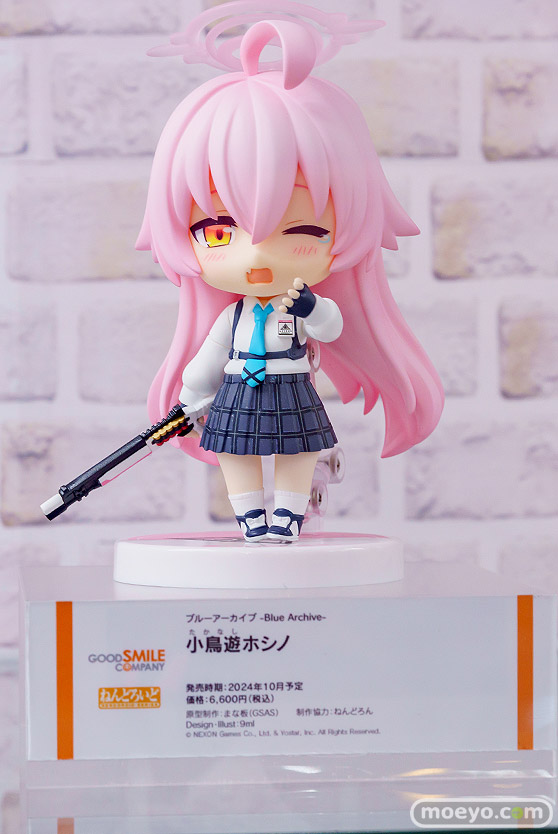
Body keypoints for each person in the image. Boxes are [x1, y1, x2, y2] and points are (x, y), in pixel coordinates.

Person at [137, 2, 444, 541]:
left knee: (299, 451)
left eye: (300, 229)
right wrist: (188, 397)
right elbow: (207, 361)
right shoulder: (233, 319)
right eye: (218, 232)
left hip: (291, 386)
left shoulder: (297, 303)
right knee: (235, 453)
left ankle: (287, 516)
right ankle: (251, 518)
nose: (256, 255)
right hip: (238, 390)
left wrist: (311, 307)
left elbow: (330, 325)